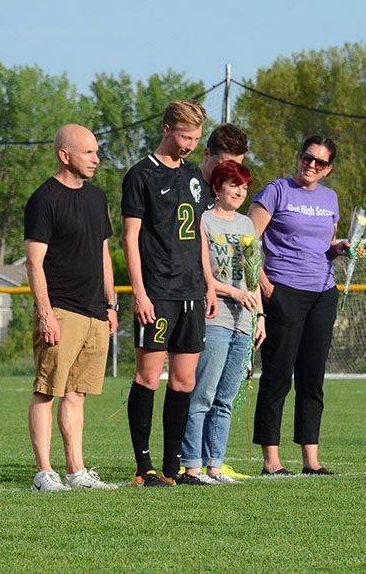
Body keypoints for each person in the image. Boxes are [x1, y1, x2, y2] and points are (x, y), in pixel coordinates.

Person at [122, 100, 218, 487]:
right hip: (158, 291)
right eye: (184, 136)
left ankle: (172, 466)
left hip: (193, 291)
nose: (190, 144)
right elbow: (130, 238)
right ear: (166, 129)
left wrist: (209, 284)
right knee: (148, 377)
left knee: (184, 382)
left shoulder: (196, 175)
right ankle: (143, 468)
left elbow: (198, 234)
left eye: (195, 138)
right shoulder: (140, 175)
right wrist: (139, 293)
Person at [24, 124, 118, 492]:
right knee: (47, 390)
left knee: (77, 393)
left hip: (95, 311)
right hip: (61, 310)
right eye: (89, 153)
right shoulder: (44, 199)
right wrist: (46, 313)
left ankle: (76, 471)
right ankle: (44, 472)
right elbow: (34, 262)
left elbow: (104, 254)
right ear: (65, 156)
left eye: (96, 152)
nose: (96, 159)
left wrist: (110, 305)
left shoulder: (97, 199)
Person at [249, 135, 348, 476]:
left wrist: (342, 248)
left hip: (323, 292)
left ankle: (311, 459)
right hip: (284, 291)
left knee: (312, 378)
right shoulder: (275, 191)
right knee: (278, 376)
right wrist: (266, 287)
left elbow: (327, 245)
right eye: (308, 157)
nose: (312, 165)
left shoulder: (330, 198)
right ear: (299, 156)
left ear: (329, 169)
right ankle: (271, 461)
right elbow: (247, 242)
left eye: (321, 162)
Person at [181, 160, 265, 484]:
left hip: (244, 319)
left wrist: (260, 316)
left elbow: (253, 275)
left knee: (225, 399)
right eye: (234, 185)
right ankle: (192, 465)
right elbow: (200, 275)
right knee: (203, 393)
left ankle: (215, 466)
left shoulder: (247, 225)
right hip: (215, 317)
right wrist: (233, 291)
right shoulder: (203, 221)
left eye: (244, 186)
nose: (240, 192)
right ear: (217, 187)